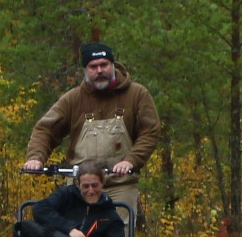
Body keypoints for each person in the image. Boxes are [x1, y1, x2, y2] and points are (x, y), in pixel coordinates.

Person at [22, 42, 160, 218]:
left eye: (104, 64)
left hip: (120, 185)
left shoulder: (137, 94)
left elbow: (150, 132)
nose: (99, 70)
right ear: (86, 70)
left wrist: (131, 160)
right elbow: (45, 130)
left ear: (113, 65)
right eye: (93, 66)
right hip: (81, 186)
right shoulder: (73, 99)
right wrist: (36, 158)